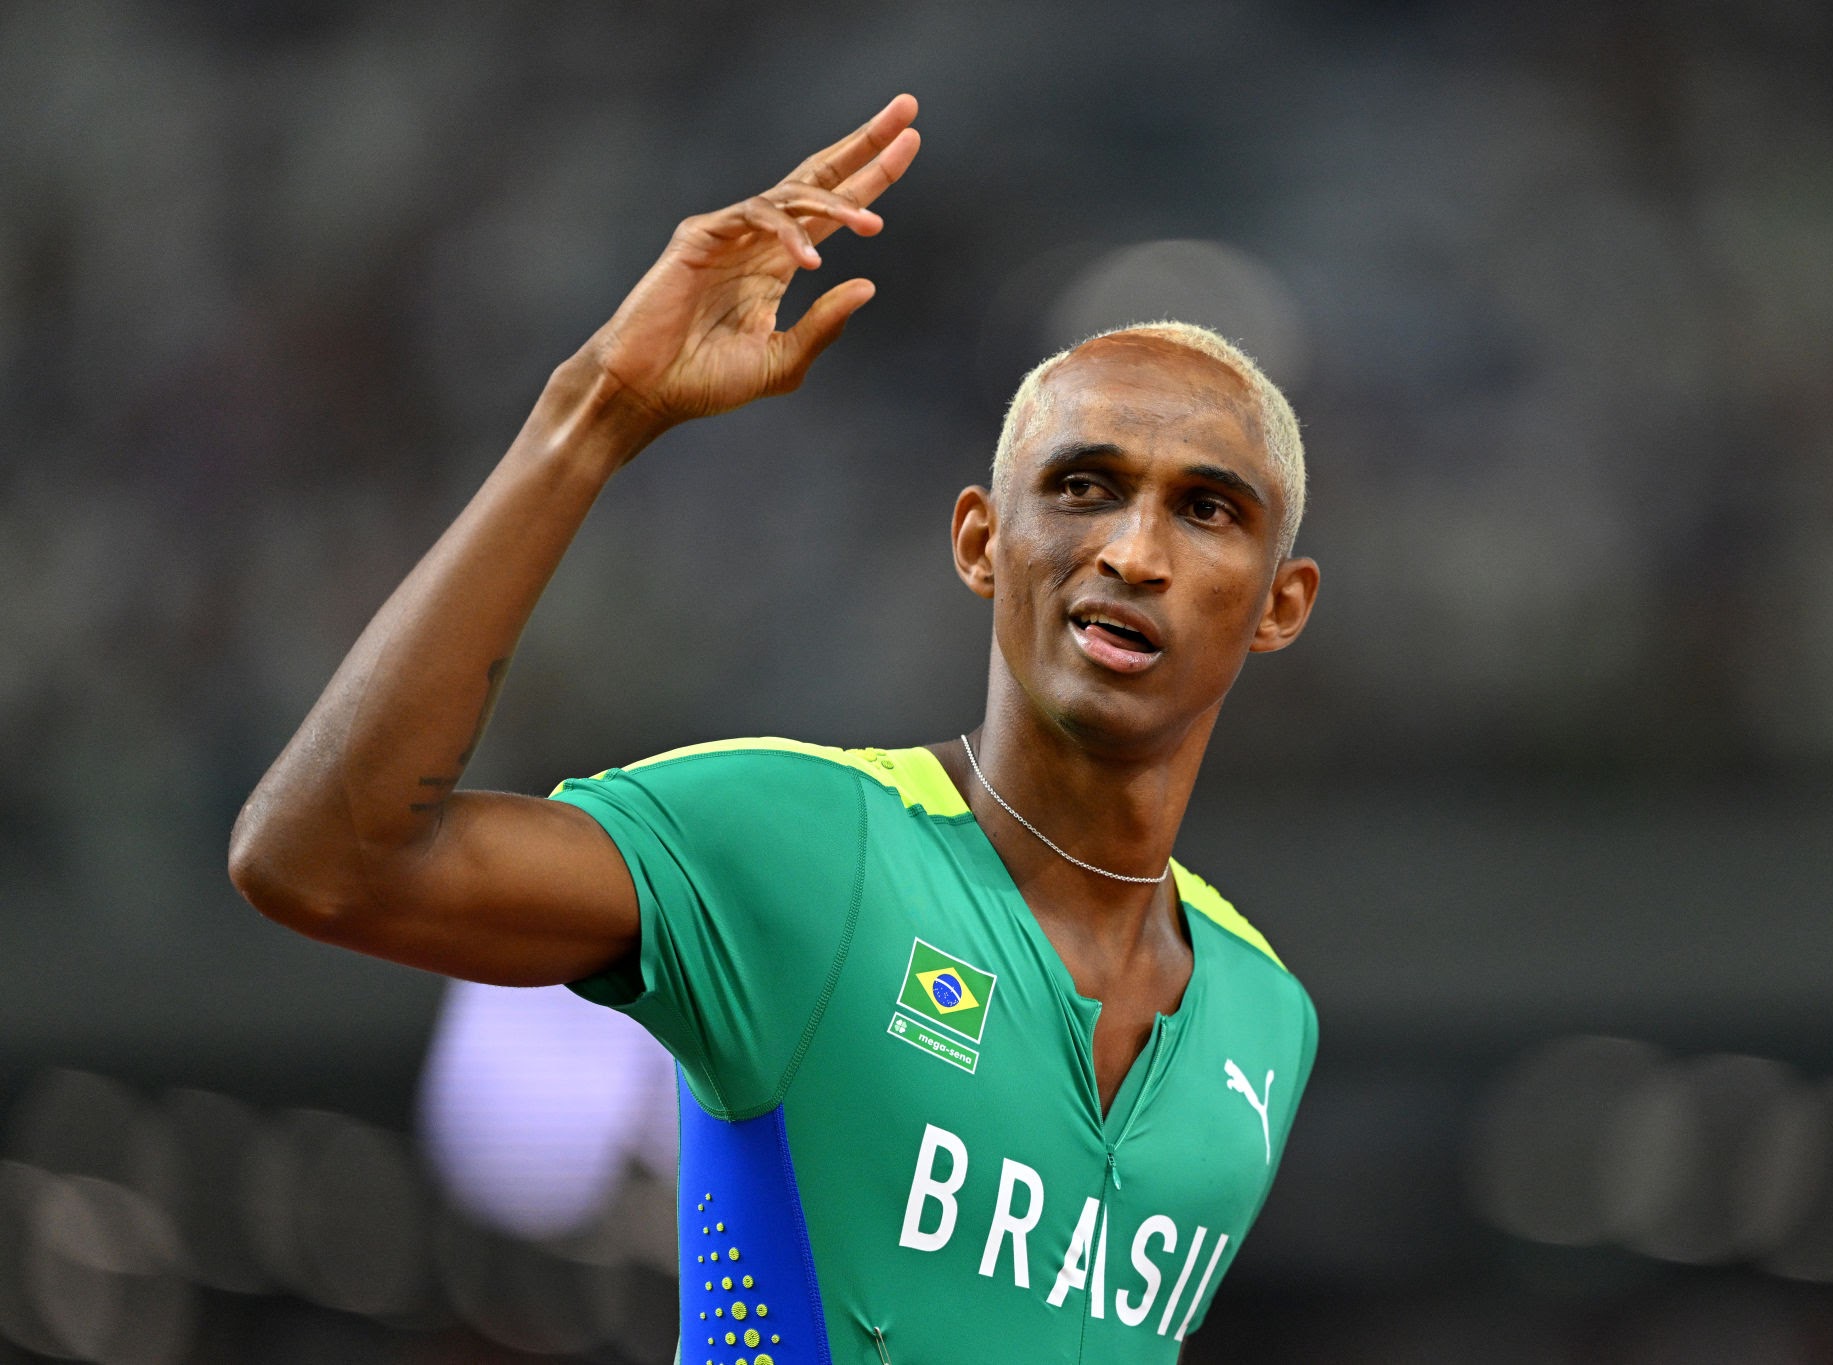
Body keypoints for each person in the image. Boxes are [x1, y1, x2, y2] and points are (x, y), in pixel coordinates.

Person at [229, 93, 1321, 1363]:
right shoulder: (802, 845)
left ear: (1277, 607)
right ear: (980, 542)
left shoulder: (1263, 1017)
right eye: (1081, 488)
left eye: (1204, 511)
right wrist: (593, 414)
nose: (1130, 551)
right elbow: (319, 864)